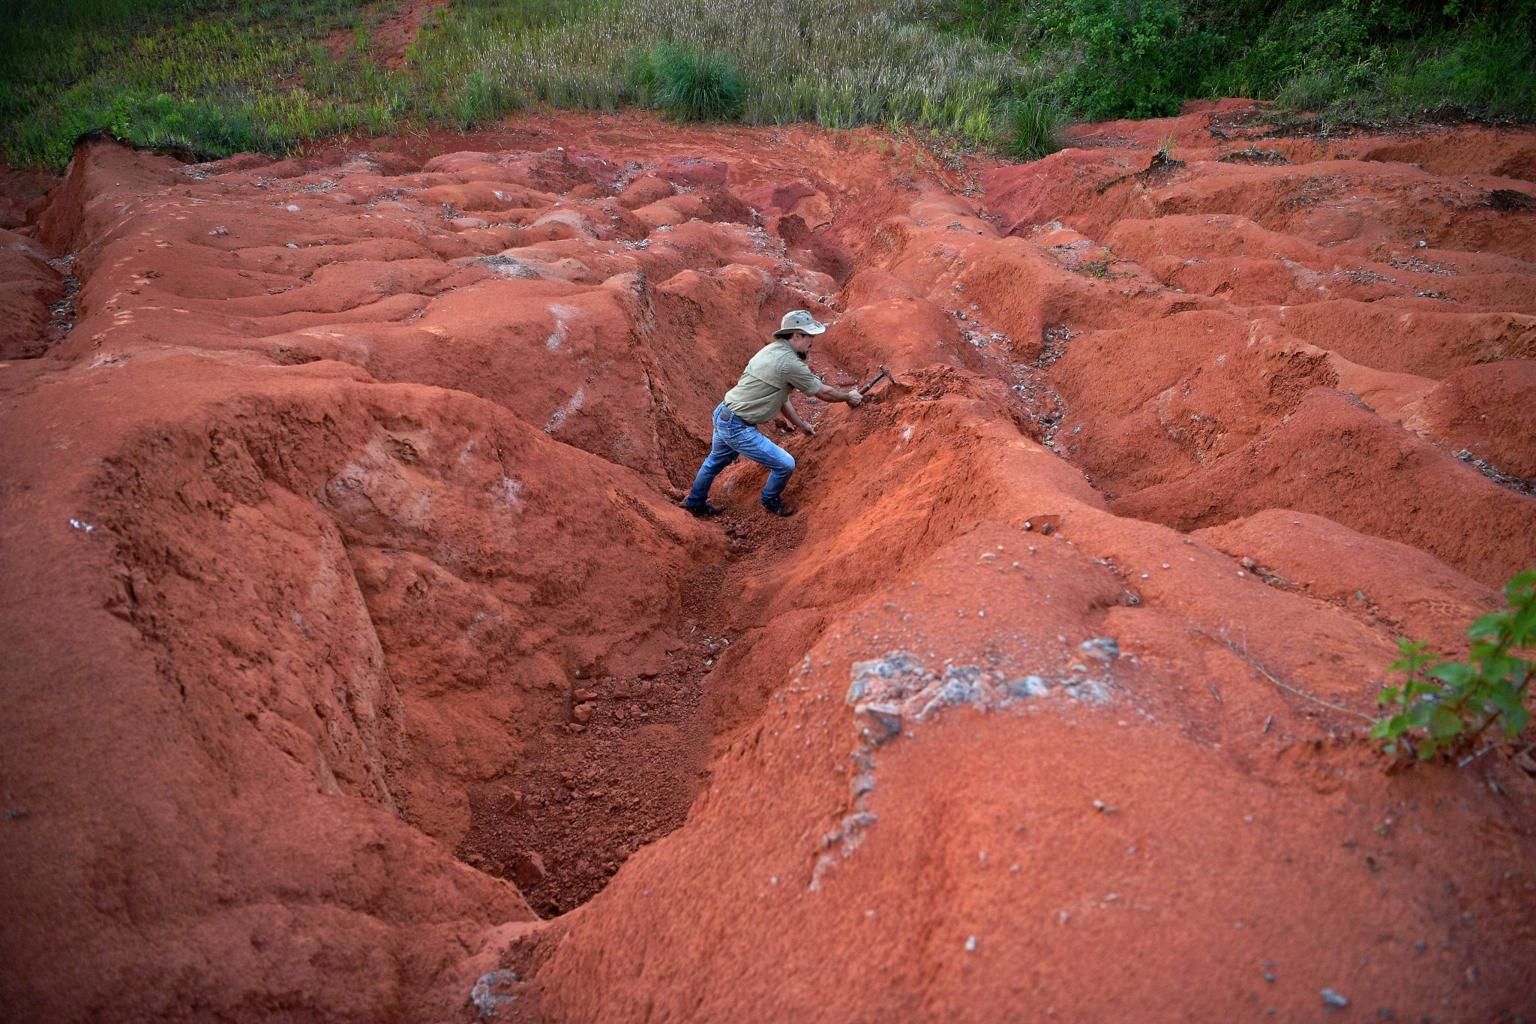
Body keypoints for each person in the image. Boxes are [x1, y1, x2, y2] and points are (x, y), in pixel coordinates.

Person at [683, 309, 863, 518]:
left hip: (724, 414)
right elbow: (823, 392)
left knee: (714, 462)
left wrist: (801, 424)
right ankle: (770, 500)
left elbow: (781, 399)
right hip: (737, 425)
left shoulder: (772, 351)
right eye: (809, 336)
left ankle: (694, 503)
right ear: (796, 335)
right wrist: (848, 396)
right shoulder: (789, 363)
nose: (812, 341)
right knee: (785, 464)